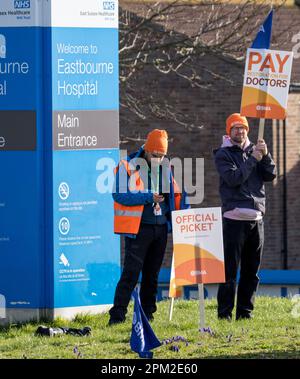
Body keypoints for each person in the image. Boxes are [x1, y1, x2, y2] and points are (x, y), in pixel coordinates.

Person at [109, 129, 188, 325]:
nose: (158, 160)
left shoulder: (166, 167)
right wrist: (147, 197)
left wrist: (181, 217)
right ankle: (117, 316)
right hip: (138, 229)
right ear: (147, 149)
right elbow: (118, 195)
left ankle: (147, 316)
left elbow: (176, 196)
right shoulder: (127, 165)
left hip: (160, 229)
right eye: (155, 155)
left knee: (152, 276)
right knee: (131, 274)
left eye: (162, 156)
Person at [213, 113, 277, 320]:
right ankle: (224, 314)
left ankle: (244, 313)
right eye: (235, 128)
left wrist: (265, 156)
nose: (240, 131)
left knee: (251, 272)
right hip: (233, 220)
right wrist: (253, 159)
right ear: (228, 131)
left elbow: (270, 175)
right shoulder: (223, 154)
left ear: (247, 130)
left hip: (256, 219)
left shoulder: (255, 150)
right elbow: (233, 179)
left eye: (243, 128)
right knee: (229, 272)